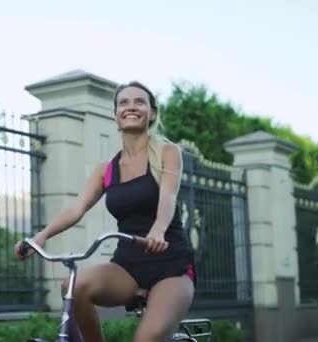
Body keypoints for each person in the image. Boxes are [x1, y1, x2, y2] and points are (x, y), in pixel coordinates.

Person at [14, 81, 196, 342]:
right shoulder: (106, 170)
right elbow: (77, 209)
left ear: (152, 113)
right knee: (73, 287)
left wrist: (158, 230)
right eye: (124, 102)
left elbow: (168, 196)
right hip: (127, 265)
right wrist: (39, 238)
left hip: (171, 264)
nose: (131, 107)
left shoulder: (167, 152)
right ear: (115, 115)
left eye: (139, 102)